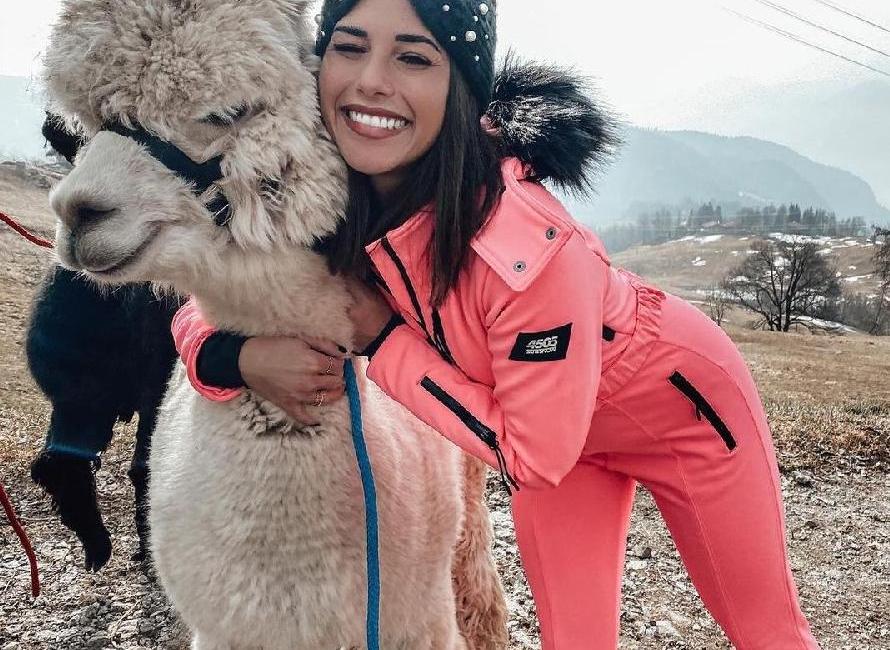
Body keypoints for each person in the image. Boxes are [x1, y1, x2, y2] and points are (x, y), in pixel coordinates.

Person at [171, 0, 820, 647]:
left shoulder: (530, 250)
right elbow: (208, 293)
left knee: (766, 632)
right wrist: (239, 359)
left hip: (683, 410)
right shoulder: (338, 201)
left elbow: (530, 456)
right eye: (350, 46)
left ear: (459, 86)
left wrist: (386, 342)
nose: (370, 79)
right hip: (563, 448)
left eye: (413, 57)